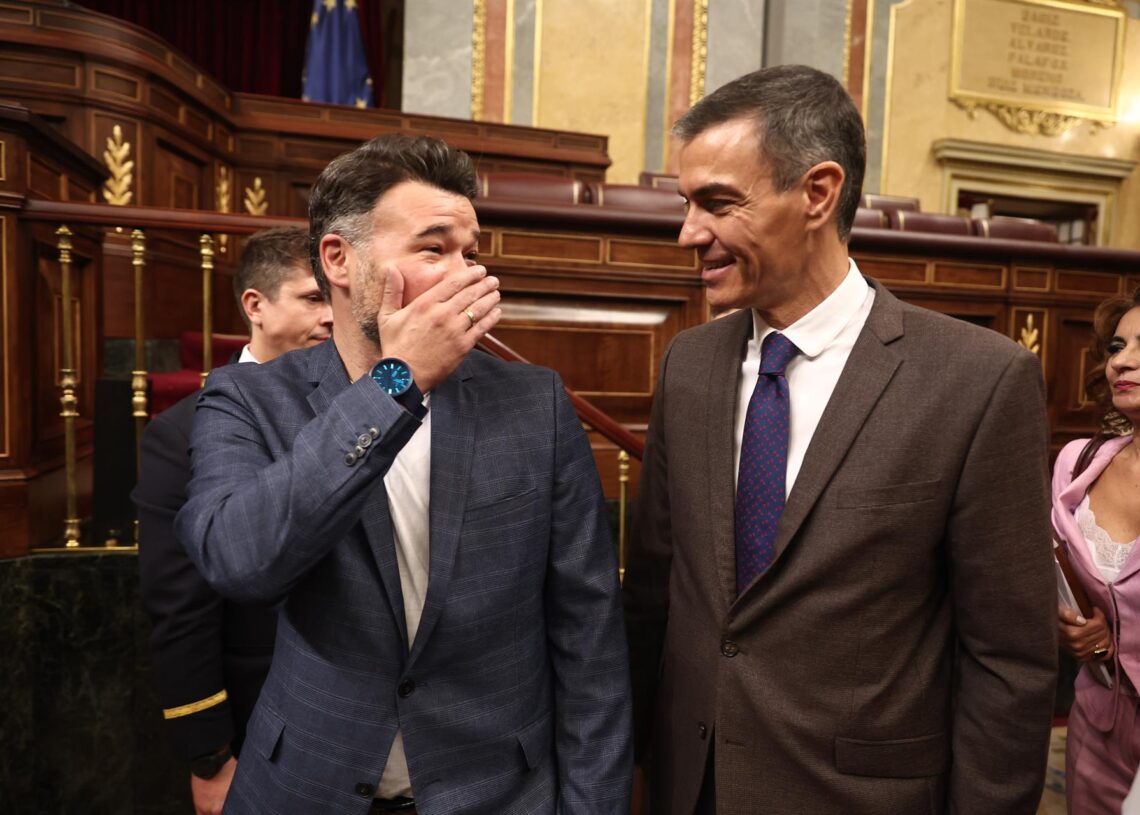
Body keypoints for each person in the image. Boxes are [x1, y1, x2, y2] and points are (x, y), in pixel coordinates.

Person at [622, 64, 1057, 814]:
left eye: (718, 203)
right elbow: (655, 600)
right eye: (687, 203)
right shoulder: (689, 365)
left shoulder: (979, 380)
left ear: (818, 192)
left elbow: (1007, 662)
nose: (689, 231)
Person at [174, 134, 631, 814]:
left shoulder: (536, 404)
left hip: (500, 791)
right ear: (339, 259)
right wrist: (397, 381)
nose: (464, 274)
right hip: (308, 787)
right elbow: (241, 560)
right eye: (432, 248)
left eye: (470, 252)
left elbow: (588, 637)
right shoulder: (247, 399)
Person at [134, 226, 332, 815]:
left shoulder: (365, 409)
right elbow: (181, 609)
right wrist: (211, 757)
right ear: (256, 306)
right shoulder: (182, 433)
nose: (330, 317)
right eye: (312, 298)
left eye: (335, 299)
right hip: (260, 721)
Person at [1053, 287, 1140, 815]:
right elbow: (1052, 577)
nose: (1123, 362)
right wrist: (1068, 628)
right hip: (1097, 723)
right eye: (1117, 346)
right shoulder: (1075, 463)